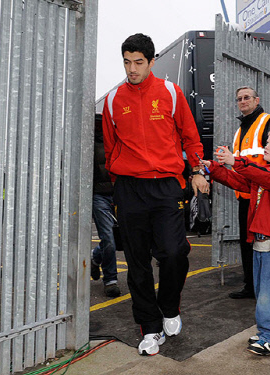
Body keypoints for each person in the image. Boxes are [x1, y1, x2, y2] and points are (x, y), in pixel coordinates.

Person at [102, 33, 209, 356]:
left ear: (151, 62)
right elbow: (110, 147)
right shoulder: (112, 100)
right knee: (136, 263)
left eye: (138, 62)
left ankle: (169, 307)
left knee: (174, 252)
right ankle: (149, 328)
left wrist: (197, 172)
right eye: (126, 62)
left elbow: (191, 138)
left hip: (166, 186)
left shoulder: (171, 94)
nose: (131, 69)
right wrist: (119, 182)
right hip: (129, 188)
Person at [202, 128, 270, 356]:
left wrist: (235, 160)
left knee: (267, 292)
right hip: (259, 241)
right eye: (267, 142)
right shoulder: (262, 173)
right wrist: (214, 167)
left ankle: (269, 338)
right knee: (263, 290)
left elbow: (269, 180)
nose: (266, 147)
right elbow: (238, 181)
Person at [229, 86, 270, 303]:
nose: (243, 101)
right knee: (248, 244)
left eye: (247, 97)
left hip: (265, 196)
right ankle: (251, 286)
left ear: (257, 100)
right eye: (239, 99)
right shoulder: (240, 130)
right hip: (245, 196)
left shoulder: (268, 122)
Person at [91, 114, 120, 298]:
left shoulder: (117, 140)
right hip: (98, 195)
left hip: (119, 193)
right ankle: (111, 280)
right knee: (109, 238)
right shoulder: (86, 145)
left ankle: (95, 257)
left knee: (117, 237)